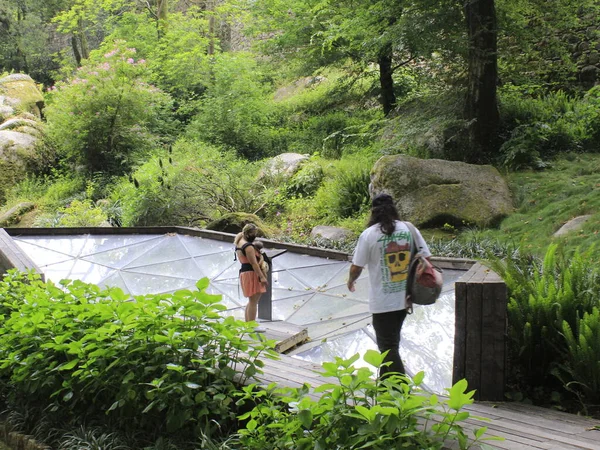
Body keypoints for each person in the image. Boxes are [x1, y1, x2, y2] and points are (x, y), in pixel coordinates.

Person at [347, 193, 431, 378]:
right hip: (405, 298)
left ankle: (402, 392)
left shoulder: (369, 234)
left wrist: (351, 280)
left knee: (388, 346)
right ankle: (385, 388)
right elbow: (426, 256)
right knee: (389, 344)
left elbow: (356, 267)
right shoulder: (409, 229)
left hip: (382, 301)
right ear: (393, 208)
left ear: (373, 212)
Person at [234, 223, 268, 326]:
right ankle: (252, 326)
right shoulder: (248, 247)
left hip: (245, 272)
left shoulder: (239, 241)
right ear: (249, 233)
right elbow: (253, 263)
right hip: (251, 274)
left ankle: (248, 324)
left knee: (251, 301)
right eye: (254, 233)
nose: (255, 235)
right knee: (254, 301)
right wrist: (262, 277)